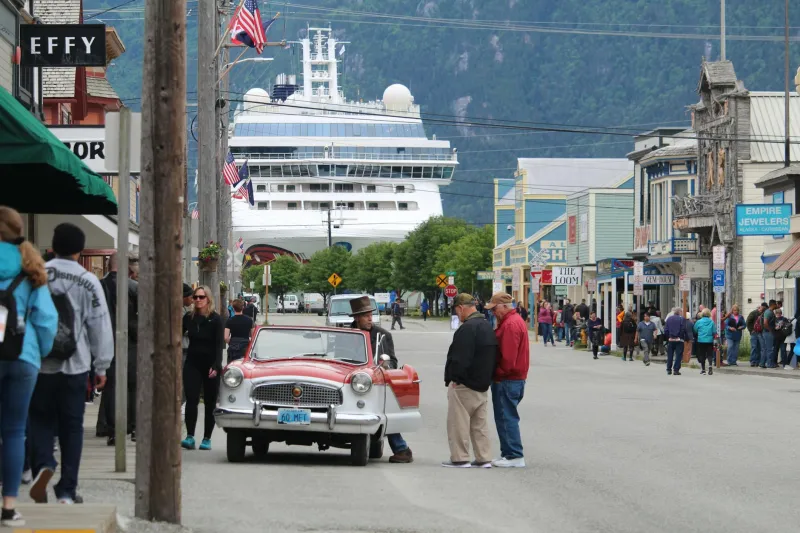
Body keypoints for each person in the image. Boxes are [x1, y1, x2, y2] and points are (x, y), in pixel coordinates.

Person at [29, 223, 113, 505]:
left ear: (52, 246)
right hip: (75, 366)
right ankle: (66, 489)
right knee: (72, 426)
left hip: (39, 363)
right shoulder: (89, 281)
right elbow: (99, 325)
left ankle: (42, 463)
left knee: (39, 418)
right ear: (80, 249)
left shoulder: (37, 275)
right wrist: (101, 366)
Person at [0, 207, 58, 526]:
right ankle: (9, 508)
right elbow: (47, 321)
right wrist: (38, 352)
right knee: (13, 431)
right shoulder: (30, 268)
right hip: (23, 355)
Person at [349, 296, 411, 463]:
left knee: (384, 410)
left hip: (376, 382)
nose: (370, 318)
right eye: (365, 315)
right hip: (352, 383)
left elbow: (392, 361)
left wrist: (383, 366)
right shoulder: (347, 335)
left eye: (371, 314)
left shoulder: (383, 335)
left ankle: (401, 448)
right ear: (356, 318)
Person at [442, 294, 497, 468]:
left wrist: (455, 378)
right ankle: (484, 457)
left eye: (457, 311)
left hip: (464, 384)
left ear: (461, 308)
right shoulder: (487, 326)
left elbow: (460, 357)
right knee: (479, 424)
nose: (458, 315)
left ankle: (460, 458)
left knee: (458, 423)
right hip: (482, 384)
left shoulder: (467, 329)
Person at [98, 252, 139, 446]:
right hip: (129, 340)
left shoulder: (99, 285)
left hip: (104, 339)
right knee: (132, 385)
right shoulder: (133, 287)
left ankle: (110, 427)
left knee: (110, 385)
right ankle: (132, 425)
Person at [485, 292, 529, 468]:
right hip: (513, 378)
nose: (493, 312)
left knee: (506, 417)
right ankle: (509, 453)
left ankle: (513, 455)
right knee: (507, 415)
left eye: (495, 308)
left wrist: (498, 374)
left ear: (504, 306)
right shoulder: (513, 321)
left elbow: (508, 358)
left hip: (508, 379)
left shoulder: (510, 325)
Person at [181, 286, 223, 451]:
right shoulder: (188, 318)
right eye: (195, 297)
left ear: (208, 299)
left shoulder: (216, 319)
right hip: (192, 363)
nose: (198, 300)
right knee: (191, 399)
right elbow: (177, 335)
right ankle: (190, 436)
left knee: (210, 402)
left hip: (210, 365)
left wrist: (216, 365)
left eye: (201, 297)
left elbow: (220, 345)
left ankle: (207, 438)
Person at [225, 299, 254, 363]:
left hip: (233, 349)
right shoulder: (249, 320)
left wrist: (231, 342)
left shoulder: (229, 321)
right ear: (243, 307)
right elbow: (253, 336)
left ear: (233, 308)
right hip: (245, 348)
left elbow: (226, 337)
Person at [693, 308, 717, 375]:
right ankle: (710, 367)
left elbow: (695, 329)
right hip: (709, 340)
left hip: (701, 340)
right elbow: (714, 331)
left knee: (702, 354)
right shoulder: (711, 322)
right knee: (709, 354)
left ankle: (703, 370)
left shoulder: (699, 322)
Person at [664, 308, 686, 376]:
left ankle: (668, 369)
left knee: (670, 355)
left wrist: (669, 337)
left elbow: (666, 329)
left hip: (670, 340)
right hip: (679, 340)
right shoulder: (682, 319)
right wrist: (680, 336)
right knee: (678, 355)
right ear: (679, 312)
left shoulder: (669, 319)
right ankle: (676, 369)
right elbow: (683, 329)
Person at [746, 303, 766, 367]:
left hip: (760, 332)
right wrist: (751, 330)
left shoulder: (764, 313)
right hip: (754, 333)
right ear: (758, 308)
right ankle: (753, 361)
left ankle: (758, 361)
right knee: (754, 347)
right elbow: (748, 321)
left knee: (759, 347)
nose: (761, 310)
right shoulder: (753, 313)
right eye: (761, 308)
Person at [761, 300, 778, 368]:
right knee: (770, 349)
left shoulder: (769, 312)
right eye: (776, 304)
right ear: (773, 305)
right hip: (768, 333)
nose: (776, 306)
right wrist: (770, 330)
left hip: (766, 332)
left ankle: (762, 363)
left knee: (765, 349)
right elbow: (765, 322)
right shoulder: (768, 312)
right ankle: (769, 364)